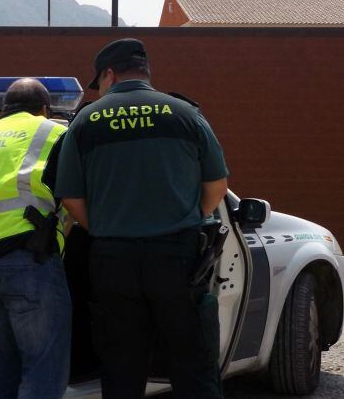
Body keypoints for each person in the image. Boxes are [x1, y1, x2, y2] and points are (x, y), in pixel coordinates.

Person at [55, 38, 229, 399]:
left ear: (109, 74)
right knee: (194, 365)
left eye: (99, 83)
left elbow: (70, 197)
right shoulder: (185, 113)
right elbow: (217, 186)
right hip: (179, 258)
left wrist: (101, 227)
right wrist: (189, 216)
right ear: (145, 72)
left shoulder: (87, 120)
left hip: (113, 260)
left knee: (122, 367)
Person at [0, 78, 71, 399]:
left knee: (2, 377)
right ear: (44, 109)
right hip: (29, 262)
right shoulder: (53, 132)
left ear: (4, 109)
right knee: (43, 373)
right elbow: (73, 195)